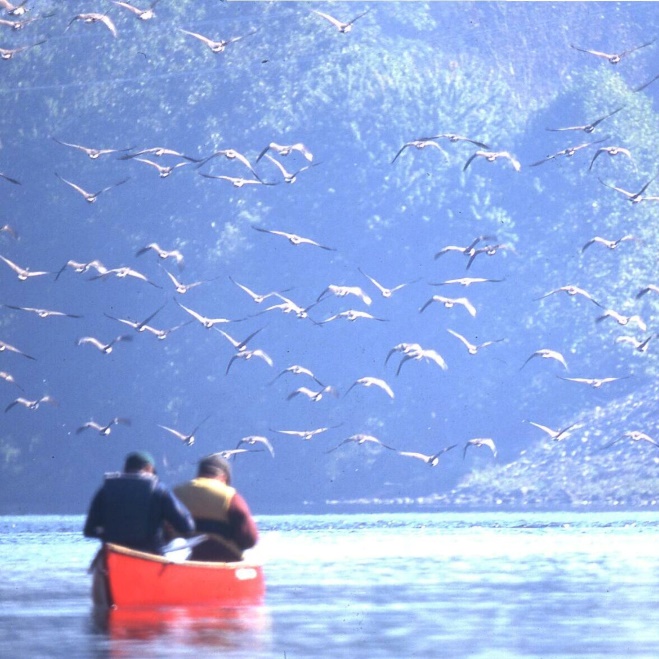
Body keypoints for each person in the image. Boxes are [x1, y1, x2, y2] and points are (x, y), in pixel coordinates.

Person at [83, 450, 195, 554]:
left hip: (114, 553)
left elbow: (89, 530)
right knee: (181, 542)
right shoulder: (158, 489)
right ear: (148, 468)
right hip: (150, 554)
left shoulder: (106, 489)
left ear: (125, 468)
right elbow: (187, 526)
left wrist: (107, 534)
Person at [173, 453, 259, 562]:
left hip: (183, 560)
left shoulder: (176, 492)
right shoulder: (231, 497)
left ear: (199, 473)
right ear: (224, 477)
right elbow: (250, 540)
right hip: (223, 559)